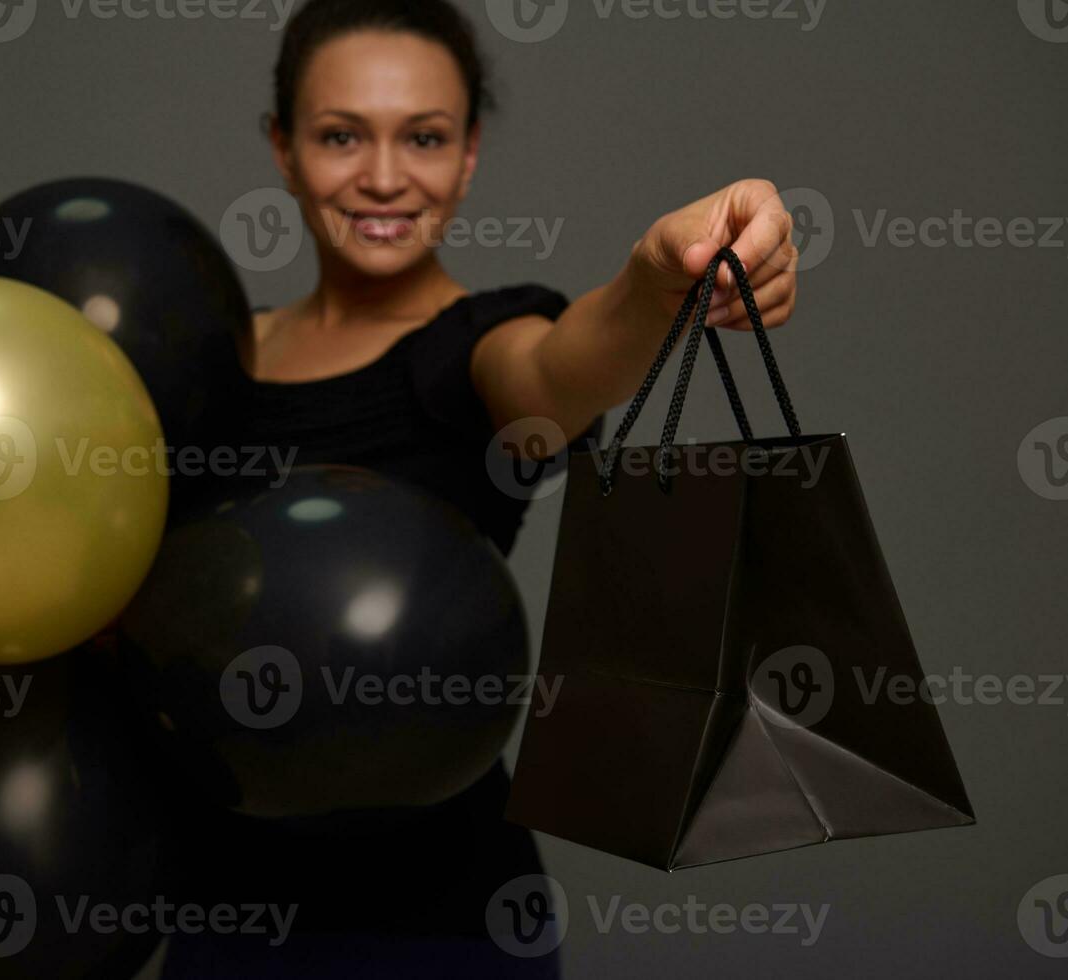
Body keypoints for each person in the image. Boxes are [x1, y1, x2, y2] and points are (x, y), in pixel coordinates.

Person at [158, 0, 799, 975]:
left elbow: (561, 370)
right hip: (222, 897)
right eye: (341, 136)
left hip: (440, 913)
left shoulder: (479, 347)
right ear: (283, 149)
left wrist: (649, 282)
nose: (383, 176)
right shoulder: (203, 361)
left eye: (423, 137)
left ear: (467, 155)